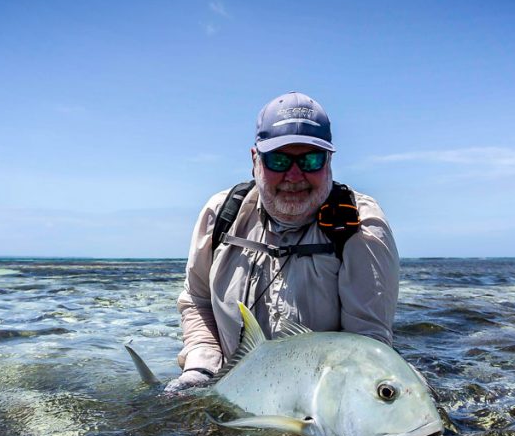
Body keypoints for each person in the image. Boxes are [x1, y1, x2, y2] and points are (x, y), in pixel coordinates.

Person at [168, 91, 400, 390]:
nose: (294, 175)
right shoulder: (220, 214)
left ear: (329, 161)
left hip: (317, 398)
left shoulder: (360, 223)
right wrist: (201, 368)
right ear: (255, 160)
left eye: (310, 159)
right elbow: (198, 301)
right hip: (229, 386)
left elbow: (366, 344)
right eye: (278, 160)